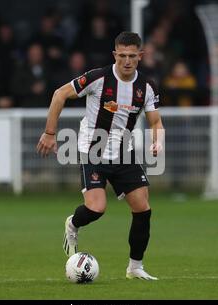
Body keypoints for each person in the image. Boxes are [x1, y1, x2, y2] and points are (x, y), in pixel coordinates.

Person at [36, 32, 164, 280]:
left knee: (143, 209)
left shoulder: (147, 87)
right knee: (96, 208)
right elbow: (59, 94)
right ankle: (73, 223)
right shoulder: (98, 78)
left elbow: (156, 121)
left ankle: (135, 267)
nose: (127, 61)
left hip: (123, 153)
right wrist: (50, 133)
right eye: (122, 55)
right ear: (115, 54)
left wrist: (158, 141)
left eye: (132, 56)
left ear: (141, 56)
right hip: (92, 149)